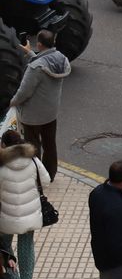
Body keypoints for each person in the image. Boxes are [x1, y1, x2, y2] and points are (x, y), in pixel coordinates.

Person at [8, 31, 69, 179]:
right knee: (50, 145)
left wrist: (10, 103)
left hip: (32, 116)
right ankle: (50, 174)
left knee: (33, 147)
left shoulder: (35, 68)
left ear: (39, 44)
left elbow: (23, 93)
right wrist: (30, 54)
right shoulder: (62, 59)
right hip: (50, 113)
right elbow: (45, 64)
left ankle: (37, 177)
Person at [0, 130, 49, 279]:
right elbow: (46, 180)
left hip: (5, 216)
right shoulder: (33, 160)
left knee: (5, 247)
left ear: (4, 145)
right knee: (26, 245)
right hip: (30, 214)